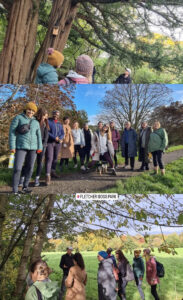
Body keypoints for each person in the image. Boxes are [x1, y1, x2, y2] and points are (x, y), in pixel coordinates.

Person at [9, 102, 42, 194]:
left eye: (32, 110)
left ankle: (25, 187)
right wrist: (12, 146)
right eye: (29, 109)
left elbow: (39, 135)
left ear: (34, 112)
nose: (30, 112)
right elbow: (12, 133)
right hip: (20, 146)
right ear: (26, 109)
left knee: (30, 167)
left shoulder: (36, 122)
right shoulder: (18, 118)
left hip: (33, 148)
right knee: (17, 168)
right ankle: (15, 190)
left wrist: (40, 147)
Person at [19, 108, 49, 187]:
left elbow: (46, 136)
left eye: (46, 115)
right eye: (45, 115)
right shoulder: (33, 120)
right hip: (32, 145)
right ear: (41, 114)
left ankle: (36, 179)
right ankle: (22, 179)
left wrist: (44, 145)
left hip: (42, 146)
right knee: (28, 162)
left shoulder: (46, 123)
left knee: (39, 163)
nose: (46, 116)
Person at [45, 110, 64, 185]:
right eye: (54, 113)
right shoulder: (48, 121)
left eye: (57, 114)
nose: (56, 115)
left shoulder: (59, 123)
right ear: (52, 114)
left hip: (58, 143)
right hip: (50, 142)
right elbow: (47, 131)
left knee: (55, 158)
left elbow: (62, 133)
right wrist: (54, 137)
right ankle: (47, 175)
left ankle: (53, 171)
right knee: (49, 158)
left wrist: (61, 138)